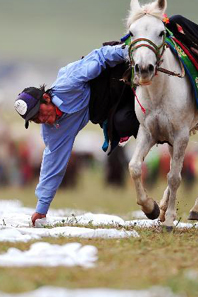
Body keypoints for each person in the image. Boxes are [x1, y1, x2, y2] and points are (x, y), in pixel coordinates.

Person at [14, 44, 138, 226]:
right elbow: (52, 166)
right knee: (124, 124)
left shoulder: (69, 82)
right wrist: (41, 209)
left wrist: (128, 53)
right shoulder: (52, 132)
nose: (42, 120)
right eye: (35, 120)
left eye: (39, 113)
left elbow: (101, 56)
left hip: (117, 78)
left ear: (46, 98)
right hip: (108, 108)